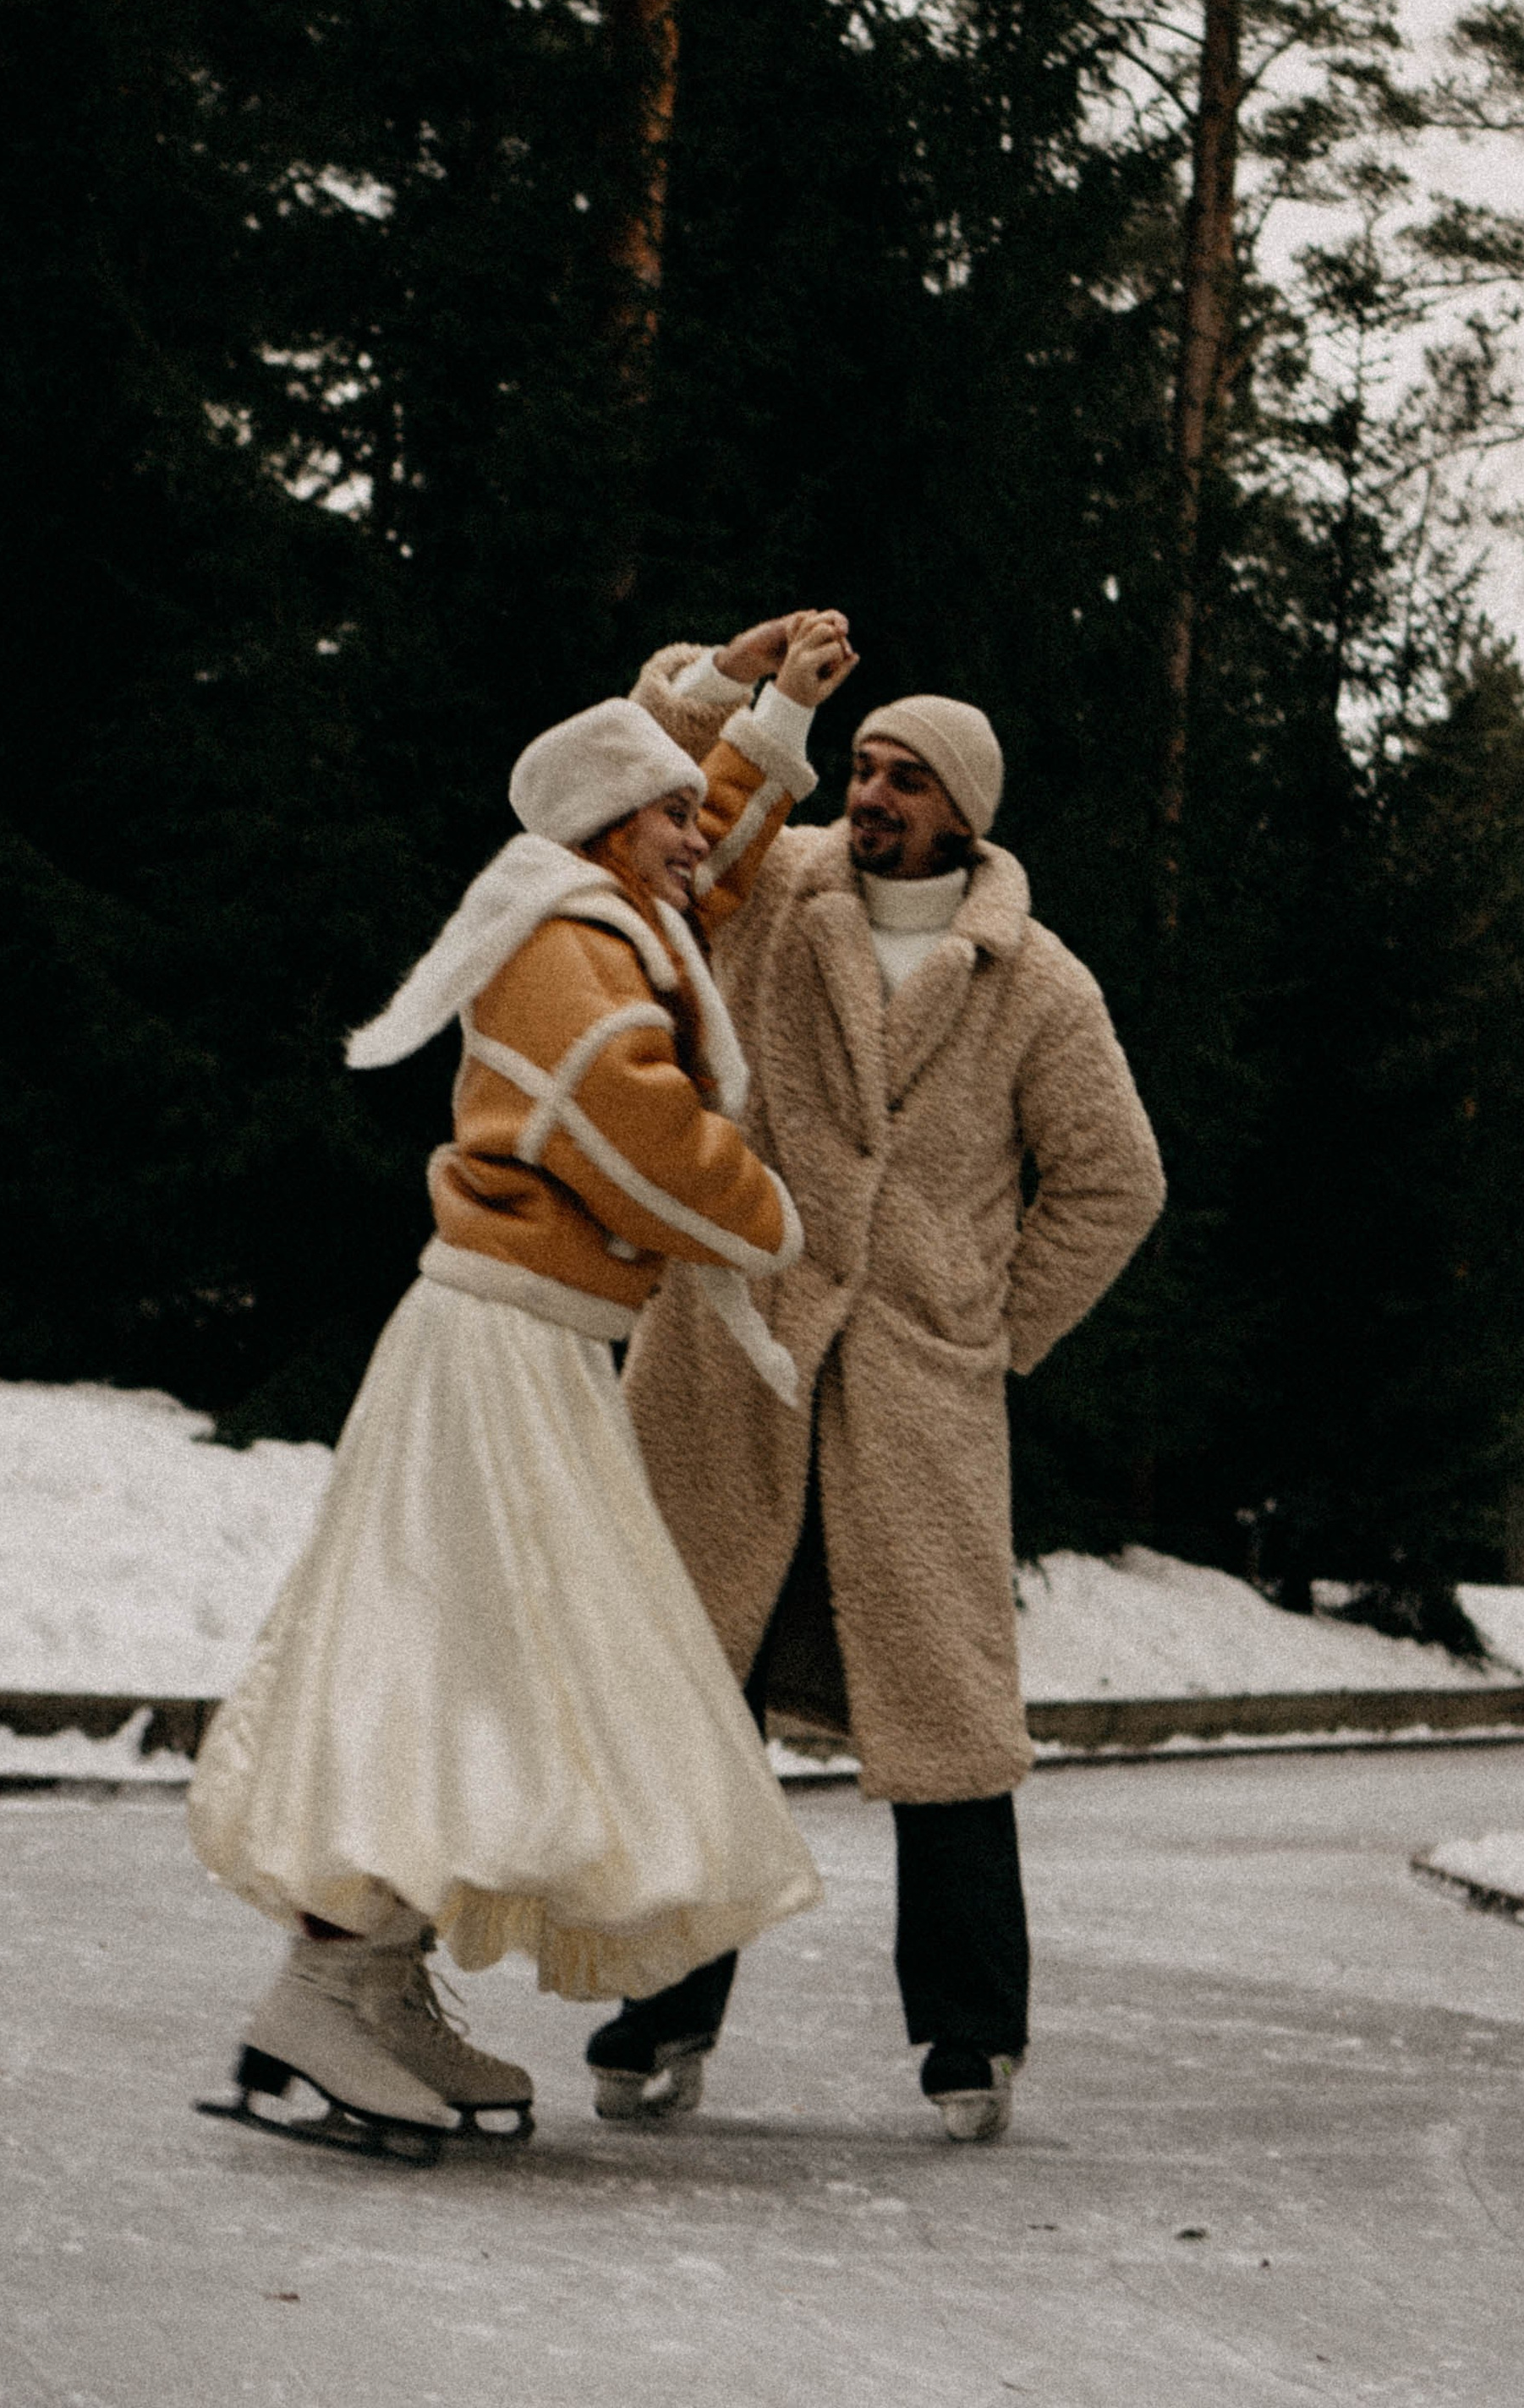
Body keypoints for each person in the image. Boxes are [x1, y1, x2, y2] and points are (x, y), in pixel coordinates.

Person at [187, 613, 860, 2160]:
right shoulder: (565, 939)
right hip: (492, 1351)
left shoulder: (596, 904)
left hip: (533, 1342)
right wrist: (772, 1216)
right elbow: (624, 1117)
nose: (703, 839)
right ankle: (331, 1984)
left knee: (483, 1667)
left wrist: (767, 716)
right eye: (674, 812)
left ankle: (371, 1983)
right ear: (613, 826)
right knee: (462, 1664)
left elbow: (707, 870)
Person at [584, 627, 1165, 2143]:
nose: (873, 791)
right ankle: (658, 2016)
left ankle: (973, 2042)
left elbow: (1116, 1183)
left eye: (905, 777)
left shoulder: (1037, 981)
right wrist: (732, 674)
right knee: (692, 1698)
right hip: (734, 1362)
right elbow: (665, 799)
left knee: (951, 1731)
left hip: (914, 1398)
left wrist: (988, 1325)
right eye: (864, 768)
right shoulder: (774, 896)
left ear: (965, 808)